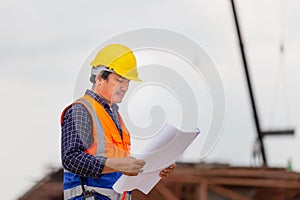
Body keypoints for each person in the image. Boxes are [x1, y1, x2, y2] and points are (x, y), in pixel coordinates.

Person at [61, 44, 176, 200]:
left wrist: (154, 170)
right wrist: (117, 165)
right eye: (119, 80)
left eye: (128, 82)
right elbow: (71, 158)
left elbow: (121, 167)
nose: (125, 87)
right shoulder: (81, 111)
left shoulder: (114, 116)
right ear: (99, 78)